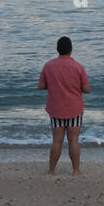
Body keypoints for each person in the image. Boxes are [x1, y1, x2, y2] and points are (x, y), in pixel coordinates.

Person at [38, 36, 91, 176]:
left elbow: (41, 86)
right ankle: (75, 171)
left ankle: (51, 171)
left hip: (55, 108)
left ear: (57, 49)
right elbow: (86, 89)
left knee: (56, 141)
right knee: (73, 141)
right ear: (71, 49)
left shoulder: (48, 66)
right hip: (74, 108)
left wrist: (54, 85)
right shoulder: (78, 67)